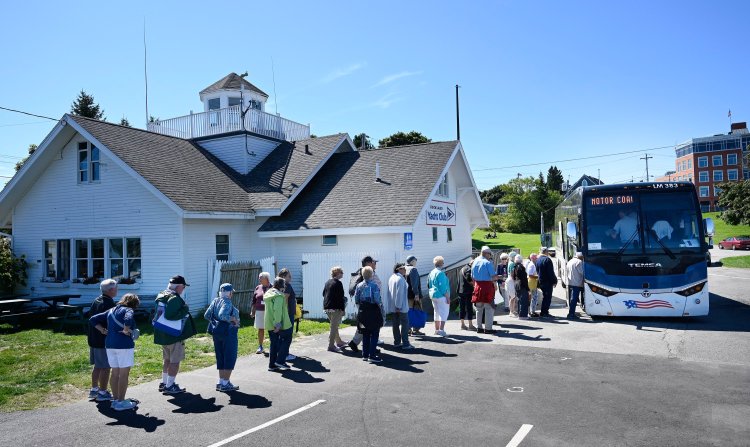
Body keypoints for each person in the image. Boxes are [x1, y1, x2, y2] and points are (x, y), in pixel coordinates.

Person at [89, 293, 140, 411]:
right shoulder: (129, 310)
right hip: (124, 345)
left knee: (115, 373)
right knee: (124, 374)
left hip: (110, 344)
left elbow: (93, 319)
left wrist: (102, 330)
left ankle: (116, 400)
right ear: (134, 304)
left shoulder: (111, 310)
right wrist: (126, 330)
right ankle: (121, 402)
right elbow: (128, 318)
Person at [154, 275, 197, 394]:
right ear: (178, 287)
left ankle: (164, 383)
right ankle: (170, 386)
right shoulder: (174, 298)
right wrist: (185, 309)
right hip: (174, 335)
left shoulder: (162, 295)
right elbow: (170, 315)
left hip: (162, 333)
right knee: (175, 361)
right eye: (183, 287)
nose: (183, 289)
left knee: (167, 359)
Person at [204, 283, 240, 392]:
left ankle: (221, 382)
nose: (232, 294)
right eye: (231, 292)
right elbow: (223, 315)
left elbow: (206, 315)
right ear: (229, 293)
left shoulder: (215, 301)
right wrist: (233, 319)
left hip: (217, 333)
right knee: (230, 356)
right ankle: (225, 383)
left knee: (221, 356)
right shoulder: (227, 302)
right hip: (228, 333)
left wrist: (215, 322)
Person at [86, 278, 117, 402]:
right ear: (111, 290)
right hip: (102, 340)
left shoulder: (96, 300)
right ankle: (103, 392)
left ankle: (94, 389)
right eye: (116, 288)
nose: (117, 290)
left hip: (93, 338)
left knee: (98, 366)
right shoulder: (108, 303)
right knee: (105, 367)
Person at [354, 266, 384, 363]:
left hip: (363, 311)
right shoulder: (374, 285)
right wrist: (381, 309)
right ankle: (372, 355)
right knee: (374, 333)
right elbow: (377, 300)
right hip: (373, 311)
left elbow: (356, 299)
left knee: (365, 333)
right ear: (371, 274)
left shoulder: (359, 286)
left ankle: (365, 355)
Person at [348, 255, 377, 352]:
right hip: (367, 305)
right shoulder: (366, 272)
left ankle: (358, 344)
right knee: (367, 325)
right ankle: (364, 346)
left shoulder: (361, 272)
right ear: (368, 263)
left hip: (362, 304)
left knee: (364, 324)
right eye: (373, 262)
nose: (374, 264)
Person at [264, 277, 293, 371]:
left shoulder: (269, 293)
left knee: (274, 343)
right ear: (282, 286)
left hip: (269, 322)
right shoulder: (279, 296)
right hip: (277, 324)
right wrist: (277, 324)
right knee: (287, 338)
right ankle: (280, 361)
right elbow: (277, 311)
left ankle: (272, 365)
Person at [471, 247, 500, 334]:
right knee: (489, 308)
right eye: (489, 254)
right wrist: (499, 277)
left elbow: (472, 277)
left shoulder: (475, 262)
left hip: (477, 286)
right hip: (487, 287)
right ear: (486, 253)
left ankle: (479, 327)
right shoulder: (487, 263)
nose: (490, 256)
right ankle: (488, 328)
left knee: (478, 308)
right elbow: (493, 276)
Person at [387, 263, 413, 349]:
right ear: (398, 269)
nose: (405, 270)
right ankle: (405, 343)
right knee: (405, 324)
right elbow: (399, 294)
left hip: (394, 306)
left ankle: (397, 342)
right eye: (403, 268)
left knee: (395, 324)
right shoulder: (400, 279)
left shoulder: (391, 278)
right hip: (400, 307)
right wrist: (398, 306)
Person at [323, 266, 348, 352]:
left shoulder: (327, 282)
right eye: (341, 272)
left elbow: (324, 294)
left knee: (334, 325)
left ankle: (339, 342)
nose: (342, 274)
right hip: (335, 307)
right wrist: (343, 309)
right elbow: (340, 298)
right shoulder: (338, 283)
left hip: (327, 307)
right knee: (334, 326)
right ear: (337, 273)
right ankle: (331, 345)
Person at [428, 256, 451, 337]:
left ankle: (437, 330)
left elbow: (429, 284)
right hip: (441, 295)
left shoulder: (431, 272)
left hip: (433, 295)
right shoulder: (440, 273)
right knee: (444, 312)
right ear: (441, 264)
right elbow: (442, 287)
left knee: (436, 312)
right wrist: (447, 297)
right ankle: (441, 330)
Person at [278, 268, 297, 362]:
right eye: (289, 276)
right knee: (287, 335)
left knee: (282, 335)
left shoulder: (279, 285)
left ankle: (282, 353)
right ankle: (285, 354)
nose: (291, 278)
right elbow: (285, 299)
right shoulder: (287, 285)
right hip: (287, 314)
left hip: (284, 313)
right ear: (283, 276)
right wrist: (284, 314)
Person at [251, 272, 271, 355]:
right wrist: (252, 311)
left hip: (269, 311)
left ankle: (273, 346)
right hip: (259, 311)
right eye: (259, 277)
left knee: (271, 329)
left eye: (260, 277)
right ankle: (260, 346)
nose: (259, 279)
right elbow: (254, 301)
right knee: (260, 329)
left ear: (266, 278)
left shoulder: (272, 287)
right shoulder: (258, 287)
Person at [535, 248, 558, 318]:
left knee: (545, 297)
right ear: (546, 252)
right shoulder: (547, 260)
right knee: (547, 297)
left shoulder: (538, 260)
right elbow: (550, 272)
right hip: (547, 282)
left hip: (541, 281)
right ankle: (544, 312)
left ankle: (543, 312)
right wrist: (554, 281)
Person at [404, 255, 424, 336]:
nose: (416, 262)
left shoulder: (404, 269)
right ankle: (416, 330)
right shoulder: (413, 269)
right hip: (414, 295)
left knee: (409, 312)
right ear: (412, 261)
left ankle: (408, 329)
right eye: (415, 260)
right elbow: (414, 284)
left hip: (406, 295)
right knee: (417, 311)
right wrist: (416, 294)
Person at [457, 258, 476, 330]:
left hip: (460, 291)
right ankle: (470, 325)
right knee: (469, 308)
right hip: (467, 291)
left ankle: (462, 324)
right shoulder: (469, 269)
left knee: (462, 308)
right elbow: (469, 279)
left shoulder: (462, 268)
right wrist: (474, 285)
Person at [566, 252, 584, 319]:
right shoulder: (579, 262)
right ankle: (571, 314)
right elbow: (582, 272)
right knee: (574, 299)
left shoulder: (570, 261)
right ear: (580, 256)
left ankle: (571, 313)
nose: (583, 258)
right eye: (582, 257)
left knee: (573, 299)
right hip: (577, 283)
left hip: (571, 282)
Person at [513, 254, 530, 319]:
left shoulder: (515, 267)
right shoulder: (521, 267)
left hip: (517, 284)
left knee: (519, 300)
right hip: (521, 285)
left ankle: (520, 314)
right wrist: (527, 288)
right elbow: (524, 279)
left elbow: (514, 277)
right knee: (524, 300)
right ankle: (523, 315)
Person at [525, 253, 540, 317]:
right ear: (533, 258)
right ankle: (532, 311)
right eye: (536, 258)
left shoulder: (532, 264)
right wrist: (538, 277)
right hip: (531, 282)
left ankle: (532, 311)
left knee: (534, 297)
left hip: (532, 282)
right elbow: (530, 274)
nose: (537, 259)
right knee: (534, 297)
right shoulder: (531, 265)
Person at [505, 251, 518, 316]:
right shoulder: (512, 263)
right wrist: (515, 280)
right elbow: (512, 274)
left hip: (509, 280)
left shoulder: (510, 262)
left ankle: (512, 310)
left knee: (512, 297)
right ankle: (511, 311)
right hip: (511, 280)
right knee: (512, 297)